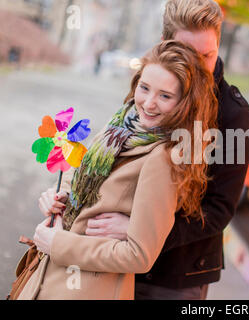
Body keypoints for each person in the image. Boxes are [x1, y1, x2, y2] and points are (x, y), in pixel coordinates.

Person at [40, 0, 249, 300]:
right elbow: (114, 169)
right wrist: (71, 197)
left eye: (208, 55)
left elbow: (220, 209)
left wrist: (142, 232)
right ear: (166, 45)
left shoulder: (233, 115)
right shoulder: (149, 91)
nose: (200, 66)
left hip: (172, 277)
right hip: (107, 261)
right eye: (188, 55)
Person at [20, 40, 218, 299]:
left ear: (184, 103)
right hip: (48, 279)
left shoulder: (164, 159)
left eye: (165, 96)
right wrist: (60, 197)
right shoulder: (119, 126)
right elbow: (81, 174)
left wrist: (59, 244)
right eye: (144, 88)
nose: (148, 103)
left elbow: (139, 255)